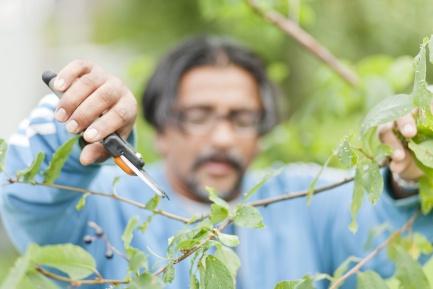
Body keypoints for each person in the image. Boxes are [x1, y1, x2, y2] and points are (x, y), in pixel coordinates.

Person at [0, 36, 429, 289]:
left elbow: (390, 234)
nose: (222, 137)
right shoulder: (102, 207)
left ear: (262, 133)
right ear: (161, 128)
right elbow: (27, 196)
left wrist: (408, 177)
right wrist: (75, 126)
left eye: (242, 119)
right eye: (198, 116)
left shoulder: (307, 199)